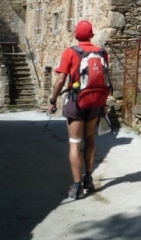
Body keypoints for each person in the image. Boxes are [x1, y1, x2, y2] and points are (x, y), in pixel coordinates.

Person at [49, 20, 109, 200]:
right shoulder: (101, 53)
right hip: (95, 103)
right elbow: (104, 79)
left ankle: (76, 187)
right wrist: (103, 105)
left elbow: (60, 80)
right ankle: (88, 178)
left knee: (75, 142)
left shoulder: (70, 52)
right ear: (91, 34)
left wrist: (53, 100)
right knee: (90, 138)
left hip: (76, 101)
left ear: (76, 35)